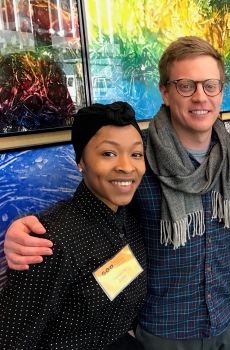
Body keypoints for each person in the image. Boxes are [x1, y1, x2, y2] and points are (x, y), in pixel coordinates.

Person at [3, 36, 230, 350]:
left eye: (211, 85)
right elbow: (90, 210)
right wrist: (22, 232)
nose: (200, 97)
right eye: (186, 85)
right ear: (165, 92)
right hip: (166, 328)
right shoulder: (141, 155)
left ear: (221, 91)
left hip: (225, 316)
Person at [0, 101, 147, 349]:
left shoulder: (130, 218)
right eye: (108, 153)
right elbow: (11, 339)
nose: (126, 166)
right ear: (81, 161)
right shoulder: (48, 241)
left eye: (136, 154)